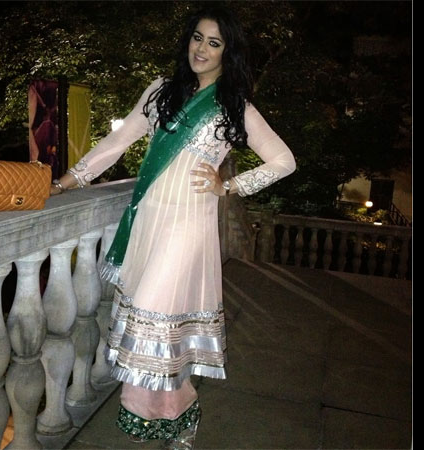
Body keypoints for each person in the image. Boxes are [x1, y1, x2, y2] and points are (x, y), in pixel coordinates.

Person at [50, 7, 296, 449]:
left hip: (188, 225)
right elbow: (117, 142)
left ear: (227, 52)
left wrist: (230, 185)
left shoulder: (233, 105)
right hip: (149, 218)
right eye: (197, 38)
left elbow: (284, 161)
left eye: (214, 43)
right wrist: (64, 183)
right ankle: (168, 416)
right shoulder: (160, 91)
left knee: (155, 316)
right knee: (159, 328)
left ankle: (172, 412)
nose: (202, 49)